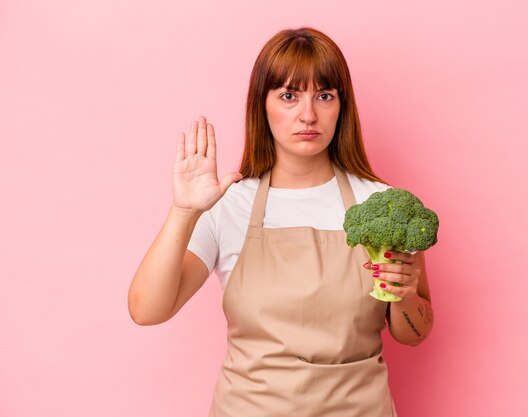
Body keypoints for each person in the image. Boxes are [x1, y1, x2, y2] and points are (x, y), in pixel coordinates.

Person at [128, 27, 434, 417]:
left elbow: (417, 332)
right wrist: (185, 211)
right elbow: (147, 310)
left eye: (324, 95)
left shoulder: (380, 205)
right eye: (289, 95)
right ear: (263, 104)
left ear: (342, 106)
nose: (308, 114)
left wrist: (405, 294)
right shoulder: (228, 204)